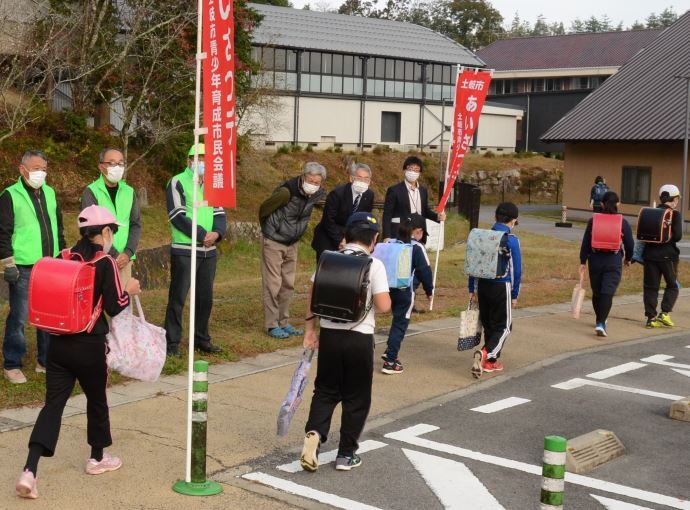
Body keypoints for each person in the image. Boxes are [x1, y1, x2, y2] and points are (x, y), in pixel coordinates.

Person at [15, 205, 141, 500]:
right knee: (97, 401)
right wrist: (130, 289)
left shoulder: (64, 256)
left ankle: (30, 470)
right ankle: (97, 458)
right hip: (89, 345)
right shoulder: (105, 263)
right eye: (113, 231)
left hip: (58, 344)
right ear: (106, 232)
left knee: (52, 406)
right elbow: (113, 306)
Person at [300, 212, 390, 472]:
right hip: (359, 339)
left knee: (326, 391)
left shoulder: (327, 259)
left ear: (345, 236)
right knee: (356, 397)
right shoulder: (375, 265)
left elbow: (312, 297)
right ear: (374, 239)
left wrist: (309, 331)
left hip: (329, 336)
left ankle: (314, 434)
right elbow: (383, 306)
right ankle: (345, 454)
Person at [0, 150, 66, 384]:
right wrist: (7, 263)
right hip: (23, 266)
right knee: (19, 315)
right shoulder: (10, 195)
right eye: (36, 168)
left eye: (44, 169)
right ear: (22, 169)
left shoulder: (50, 193)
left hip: (50, 264)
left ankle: (45, 361)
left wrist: (63, 254)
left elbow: (57, 227)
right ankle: (12, 362)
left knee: (48, 315)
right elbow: (3, 233)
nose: (41, 173)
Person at [163, 144, 226, 357]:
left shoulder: (213, 184)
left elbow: (220, 214)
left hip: (209, 252)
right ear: (189, 160)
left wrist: (216, 233)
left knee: (205, 298)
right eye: (197, 158)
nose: (201, 162)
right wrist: (201, 234)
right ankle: (172, 343)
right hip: (185, 249)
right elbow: (177, 215)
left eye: (205, 158)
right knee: (178, 297)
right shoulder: (177, 181)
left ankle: (202, 339)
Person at [259, 162, 326, 339]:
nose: (313, 184)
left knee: (288, 284)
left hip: (292, 243)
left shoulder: (316, 194)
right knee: (273, 284)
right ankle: (272, 325)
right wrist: (270, 230)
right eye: (310, 180)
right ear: (303, 177)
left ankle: (283, 322)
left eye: (317, 182)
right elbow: (264, 209)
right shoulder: (286, 192)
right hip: (274, 241)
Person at [469, 202, 522, 379]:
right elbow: (516, 270)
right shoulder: (511, 240)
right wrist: (515, 294)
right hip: (502, 285)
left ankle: (491, 362)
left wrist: (472, 287)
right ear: (513, 221)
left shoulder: (482, 236)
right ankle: (487, 354)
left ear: (495, 217)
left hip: (483, 285)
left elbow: (473, 262)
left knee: (489, 324)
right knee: (505, 326)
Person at [381, 213, 434, 374]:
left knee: (392, 321)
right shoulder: (417, 248)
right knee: (400, 323)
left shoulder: (391, 242)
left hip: (386, 288)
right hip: (405, 291)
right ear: (418, 231)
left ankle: (389, 349)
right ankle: (390, 361)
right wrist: (429, 291)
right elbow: (425, 270)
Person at [81, 148, 142, 285]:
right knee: (100, 304)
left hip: (125, 261)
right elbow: (91, 229)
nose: (117, 167)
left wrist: (128, 252)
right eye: (112, 163)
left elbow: (135, 224)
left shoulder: (129, 192)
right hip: (99, 259)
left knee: (123, 302)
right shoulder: (91, 192)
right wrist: (114, 254)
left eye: (121, 163)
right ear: (101, 166)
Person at [579, 191, 634, 336]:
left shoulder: (594, 220)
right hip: (613, 260)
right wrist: (628, 258)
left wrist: (582, 260)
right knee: (607, 292)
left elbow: (586, 242)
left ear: (602, 204)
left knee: (597, 292)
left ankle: (600, 319)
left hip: (595, 258)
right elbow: (630, 243)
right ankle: (601, 322)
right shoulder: (622, 222)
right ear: (618, 204)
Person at [311, 163, 374, 263]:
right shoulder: (337, 194)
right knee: (326, 274)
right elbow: (328, 221)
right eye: (359, 178)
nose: (363, 182)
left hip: (350, 240)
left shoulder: (369, 195)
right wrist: (340, 240)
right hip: (328, 238)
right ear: (351, 178)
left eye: (366, 179)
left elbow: (364, 220)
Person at [643, 184, 682, 328]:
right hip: (668, 256)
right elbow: (677, 236)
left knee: (650, 287)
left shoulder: (651, 212)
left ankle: (650, 318)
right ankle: (664, 313)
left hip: (650, 256)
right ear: (675, 199)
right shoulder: (675, 214)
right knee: (672, 285)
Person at [382, 156, 445, 241]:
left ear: (420, 173)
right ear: (405, 170)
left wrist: (437, 217)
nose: (413, 172)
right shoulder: (394, 190)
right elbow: (387, 214)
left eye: (416, 170)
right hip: (400, 233)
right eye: (410, 169)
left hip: (418, 233)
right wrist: (386, 236)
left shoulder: (423, 190)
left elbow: (425, 211)